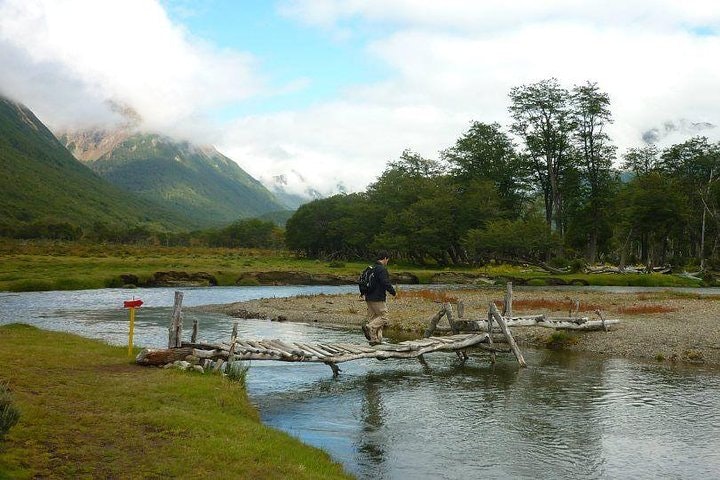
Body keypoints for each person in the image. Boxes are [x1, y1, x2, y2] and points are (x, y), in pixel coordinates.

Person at [362, 251, 397, 345]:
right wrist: (393, 292)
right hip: (377, 297)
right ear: (385, 258)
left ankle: (374, 340)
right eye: (388, 260)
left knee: (374, 317)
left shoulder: (371, 268)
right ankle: (369, 326)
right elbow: (385, 282)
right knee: (384, 317)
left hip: (368, 296)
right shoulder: (381, 269)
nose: (387, 262)